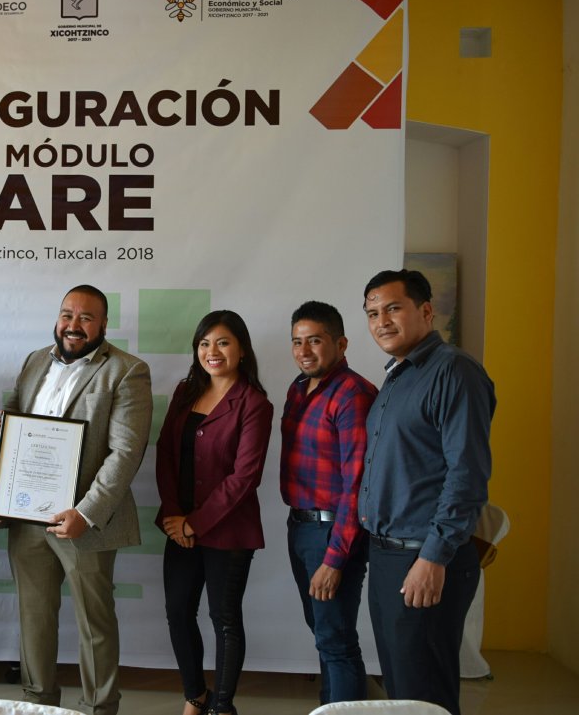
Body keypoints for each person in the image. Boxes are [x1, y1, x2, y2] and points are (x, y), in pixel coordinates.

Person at [0, 284, 152, 715]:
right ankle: (37, 703)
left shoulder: (127, 370)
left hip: (83, 522)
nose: (73, 325)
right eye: (67, 315)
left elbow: (126, 453)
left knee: (94, 623)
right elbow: (13, 429)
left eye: (86, 317)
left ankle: (99, 708)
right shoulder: (34, 361)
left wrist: (86, 512)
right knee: (34, 617)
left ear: (103, 324)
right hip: (26, 517)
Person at [360, 269, 495, 715]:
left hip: (423, 556)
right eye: (372, 313)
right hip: (387, 556)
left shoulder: (454, 371)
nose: (382, 321)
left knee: (424, 696)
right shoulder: (398, 376)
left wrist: (433, 558)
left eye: (393, 309)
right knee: (401, 689)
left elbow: (467, 475)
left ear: (426, 311)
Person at [154, 310, 271, 715]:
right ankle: (195, 695)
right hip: (178, 526)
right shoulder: (185, 391)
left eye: (223, 342)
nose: (212, 351)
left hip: (227, 530)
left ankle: (222, 706)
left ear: (242, 349)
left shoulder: (254, 403)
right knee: (177, 612)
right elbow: (166, 453)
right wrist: (175, 517)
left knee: (224, 618)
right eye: (204, 343)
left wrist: (195, 523)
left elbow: (245, 477)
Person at [280, 301, 378, 704]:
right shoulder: (298, 389)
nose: (304, 350)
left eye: (315, 341)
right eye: (297, 341)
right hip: (301, 526)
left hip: (332, 532)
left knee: (337, 641)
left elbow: (356, 485)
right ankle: (330, 708)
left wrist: (335, 559)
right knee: (324, 634)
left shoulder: (353, 394)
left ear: (341, 343)